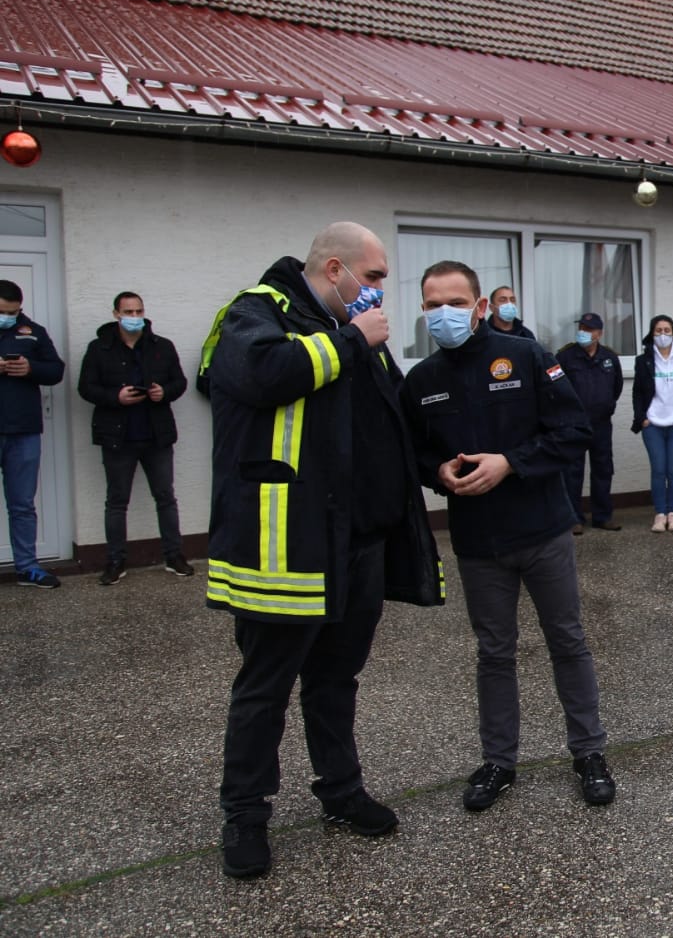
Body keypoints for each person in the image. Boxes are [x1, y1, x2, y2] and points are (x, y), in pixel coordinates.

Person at [198, 222, 444, 880]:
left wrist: (435, 469)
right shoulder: (257, 312)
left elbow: (390, 421)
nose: (379, 290)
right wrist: (353, 339)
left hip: (357, 546)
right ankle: (245, 815)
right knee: (265, 688)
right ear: (335, 269)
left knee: (336, 681)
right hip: (288, 551)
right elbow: (264, 374)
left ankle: (340, 791)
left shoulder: (355, 332)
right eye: (373, 276)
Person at [401, 260, 614, 813]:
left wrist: (511, 463)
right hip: (478, 542)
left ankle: (589, 753)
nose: (443, 314)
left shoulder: (526, 356)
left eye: (455, 303)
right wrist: (437, 473)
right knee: (494, 653)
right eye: (432, 305)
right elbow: (414, 454)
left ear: (479, 307)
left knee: (567, 641)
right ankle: (499, 761)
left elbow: (573, 431)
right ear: (422, 311)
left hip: (542, 530)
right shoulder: (421, 381)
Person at [76, 291, 192, 584]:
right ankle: (116, 561)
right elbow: (86, 387)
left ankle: (174, 556)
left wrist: (164, 392)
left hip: (156, 436)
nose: (135, 317)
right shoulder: (99, 348)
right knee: (117, 501)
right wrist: (115, 397)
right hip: (118, 437)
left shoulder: (161, 346)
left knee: (165, 497)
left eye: (139, 311)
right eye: (128, 312)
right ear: (116, 314)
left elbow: (179, 382)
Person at [0, 280, 65, 589]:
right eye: (2, 312)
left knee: (22, 505)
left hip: (24, 430)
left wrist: (30, 369)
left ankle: (27, 567)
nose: (8, 318)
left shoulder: (33, 331)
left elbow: (56, 370)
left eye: (13, 312)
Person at [557, 313, 624, 532]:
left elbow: (616, 387)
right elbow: (556, 388)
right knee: (572, 472)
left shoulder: (609, 357)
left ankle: (602, 516)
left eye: (589, 329)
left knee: (603, 469)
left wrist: (606, 405)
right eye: (582, 328)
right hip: (574, 424)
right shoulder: (565, 356)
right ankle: (573, 519)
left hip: (601, 424)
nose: (584, 332)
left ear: (599, 333)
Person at [632, 314, 673, 533]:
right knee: (659, 470)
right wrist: (642, 418)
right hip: (653, 425)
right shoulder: (644, 360)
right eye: (658, 330)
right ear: (652, 334)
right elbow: (638, 393)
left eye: (667, 330)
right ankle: (660, 514)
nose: (663, 334)